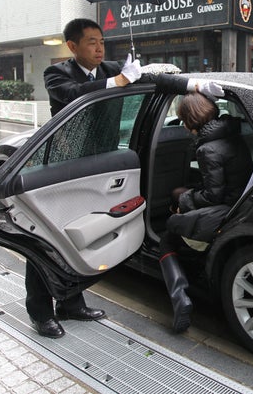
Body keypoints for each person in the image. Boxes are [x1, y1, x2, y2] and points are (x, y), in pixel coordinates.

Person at [27, 18, 224, 339]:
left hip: (100, 166)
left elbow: (155, 80)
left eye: (102, 41)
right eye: (91, 42)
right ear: (73, 47)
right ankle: (40, 311)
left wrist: (194, 86)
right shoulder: (57, 74)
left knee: (83, 238)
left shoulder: (111, 68)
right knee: (49, 239)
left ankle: (70, 303)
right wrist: (119, 81)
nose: (99, 47)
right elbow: (74, 95)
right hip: (65, 169)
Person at [159, 93, 253, 333]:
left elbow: (213, 196)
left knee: (169, 232)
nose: (182, 124)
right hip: (240, 202)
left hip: (225, 210)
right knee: (180, 195)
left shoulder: (207, 149)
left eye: (183, 118)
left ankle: (180, 298)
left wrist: (184, 200)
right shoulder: (231, 134)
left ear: (190, 120)